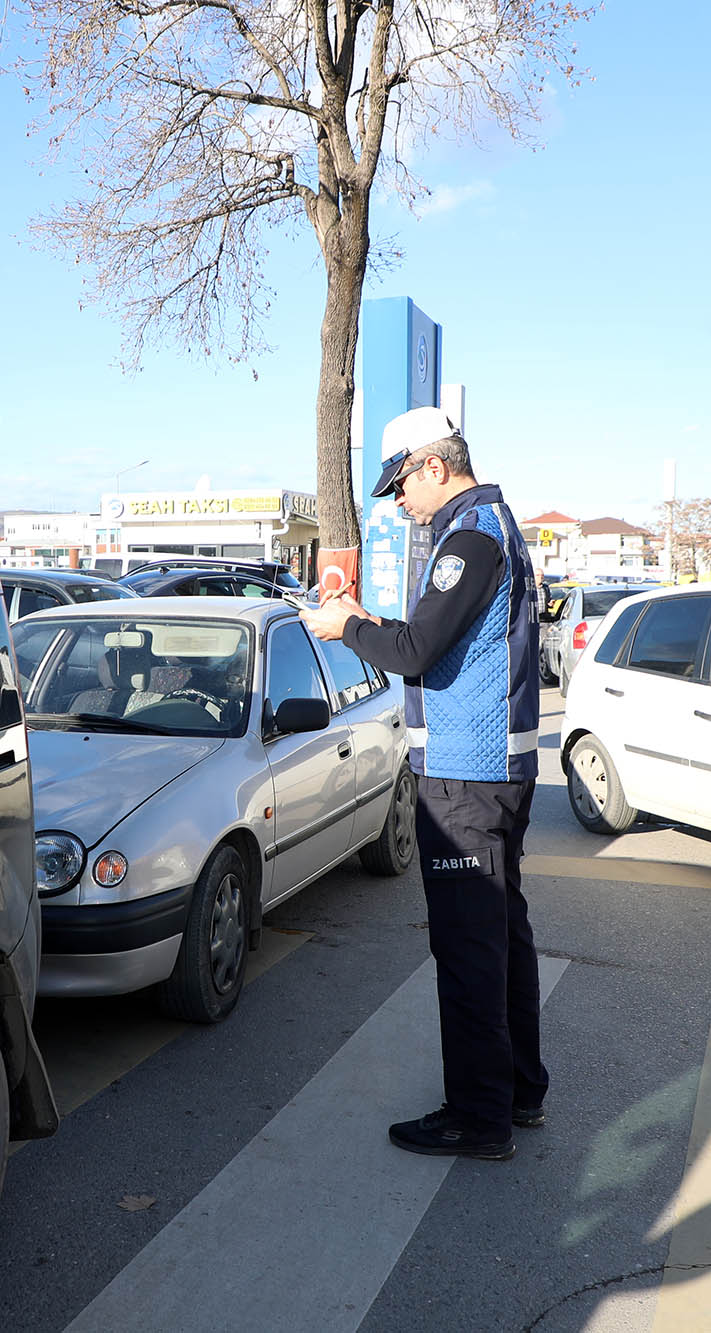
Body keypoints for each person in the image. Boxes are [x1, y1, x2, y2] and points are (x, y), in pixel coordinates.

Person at [300, 406, 547, 1161]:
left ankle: (479, 1118)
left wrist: (347, 626)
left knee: (471, 949)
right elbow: (437, 644)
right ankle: (518, 1092)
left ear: (433, 466)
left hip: (466, 776)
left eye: (401, 482)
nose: (398, 500)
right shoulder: (490, 528)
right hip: (494, 768)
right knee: (502, 935)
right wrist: (371, 621)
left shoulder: (468, 537)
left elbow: (413, 651)